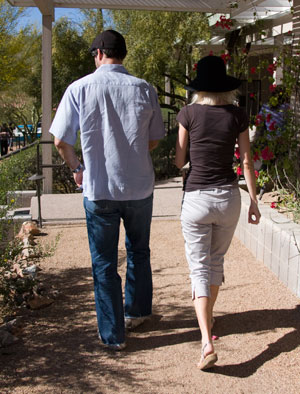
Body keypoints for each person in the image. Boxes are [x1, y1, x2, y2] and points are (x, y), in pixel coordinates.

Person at [50, 29, 165, 350]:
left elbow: (61, 140)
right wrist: (133, 155)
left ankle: (113, 335)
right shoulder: (144, 89)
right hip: (140, 187)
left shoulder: (79, 89)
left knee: (103, 262)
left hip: (99, 188)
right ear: (122, 54)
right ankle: (139, 312)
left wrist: (77, 168)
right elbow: (154, 138)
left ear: (99, 53)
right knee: (139, 251)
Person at [175, 55, 260, 370]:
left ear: (199, 87)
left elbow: (179, 160)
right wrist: (253, 201)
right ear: (226, 87)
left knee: (199, 267)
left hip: (196, 198)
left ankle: (206, 340)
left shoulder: (187, 113)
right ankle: (207, 316)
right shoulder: (238, 115)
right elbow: (247, 162)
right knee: (215, 262)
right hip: (228, 198)